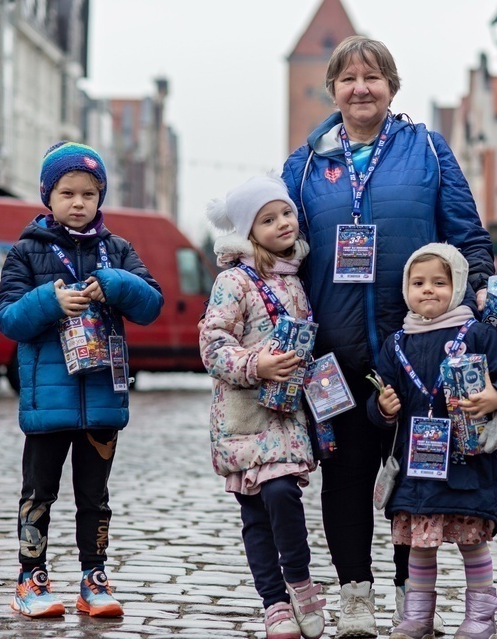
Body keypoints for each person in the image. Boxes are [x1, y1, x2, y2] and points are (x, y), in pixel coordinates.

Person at [282, 35, 496, 637]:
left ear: (392, 86)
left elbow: (468, 236)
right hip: (335, 349)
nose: (360, 89)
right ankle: (355, 594)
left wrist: (477, 293)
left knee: (415, 473)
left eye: (372, 77)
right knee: (345, 474)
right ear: (332, 90)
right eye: (347, 79)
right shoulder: (304, 165)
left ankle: (413, 594)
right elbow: (280, 252)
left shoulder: (426, 149)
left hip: (419, 345)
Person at [0, 141, 164, 618]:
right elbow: (8, 318)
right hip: (48, 403)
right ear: (48, 196)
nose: (78, 202)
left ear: (100, 198)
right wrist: (51, 303)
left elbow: (151, 304)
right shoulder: (26, 253)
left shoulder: (118, 249)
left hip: (102, 400)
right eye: (67, 192)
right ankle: (31, 577)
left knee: (95, 497)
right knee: (39, 492)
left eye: (89, 193)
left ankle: (94, 578)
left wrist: (115, 284)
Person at [368, 244, 497, 639]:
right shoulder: (396, 344)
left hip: (466, 464)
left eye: (440, 282)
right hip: (416, 467)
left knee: (471, 543)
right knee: (421, 546)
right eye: (418, 282)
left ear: (457, 287)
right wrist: (383, 407)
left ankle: (481, 615)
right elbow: (381, 406)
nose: (428, 290)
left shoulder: (477, 334)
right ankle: (418, 615)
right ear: (405, 289)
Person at [199, 174, 327, 639]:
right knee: (256, 508)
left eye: (286, 213)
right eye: (267, 219)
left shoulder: (296, 277)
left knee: (282, 495)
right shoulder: (234, 281)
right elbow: (213, 345)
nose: (282, 224)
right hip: (245, 412)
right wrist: (257, 364)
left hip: (288, 412)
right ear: (248, 232)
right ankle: (274, 602)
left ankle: (299, 579)